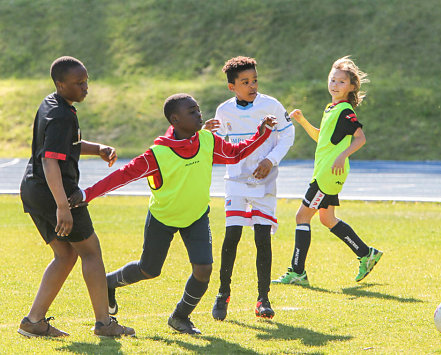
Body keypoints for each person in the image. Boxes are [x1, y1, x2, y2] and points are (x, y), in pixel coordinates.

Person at [68, 93, 277, 334]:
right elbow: (122, 176)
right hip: (162, 218)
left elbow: (235, 153)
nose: (199, 114)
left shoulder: (207, 140)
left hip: (197, 216)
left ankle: (180, 317)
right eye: (192, 111)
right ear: (175, 120)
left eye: (198, 109)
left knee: (204, 269)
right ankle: (109, 282)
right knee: (149, 270)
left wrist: (262, 134)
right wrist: (87, 194)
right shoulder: (157, 154)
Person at [18, 56, 135, 338]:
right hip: (55, 192)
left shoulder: (53, 104)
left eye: (86, 81)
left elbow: (65, 146)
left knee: (65, 253)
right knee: (91, 251)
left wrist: (98, 149)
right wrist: (62, 206)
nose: (85, 88)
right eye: (78, 83)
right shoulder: (60, 115)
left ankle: (34, 322)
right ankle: (105, 324)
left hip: (34, 189)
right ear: (61, 84)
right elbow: (50, 161)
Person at [272, 56, 383, 287]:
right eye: (332, 79)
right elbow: (322, 138)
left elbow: (360, 138)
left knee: (301, 217)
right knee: (327, 218)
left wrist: (343, 155)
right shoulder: (331, 108)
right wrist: (302, 121)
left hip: (327, 176)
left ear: (351, 87)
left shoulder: (345, 110)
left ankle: (297, 272)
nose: (335, 84)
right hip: (326, 173)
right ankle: (366, 253)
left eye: (341, 82)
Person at [204, 56, 294, 321]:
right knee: (231, 236)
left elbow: (287, 134)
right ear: (232, 86)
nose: (252, 85)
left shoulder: (271, 106)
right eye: (245, 82)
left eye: (254, 80)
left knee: (262, 238)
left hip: (265, 182)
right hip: (235, 182)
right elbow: (217, 146)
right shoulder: (224, 111)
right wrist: (205, 132)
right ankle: (223, 294)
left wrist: (270, 160)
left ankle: (263, 299)